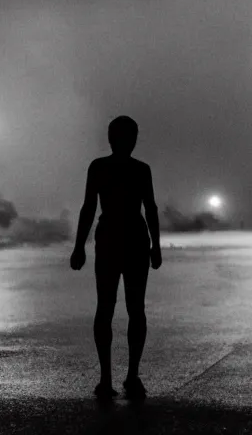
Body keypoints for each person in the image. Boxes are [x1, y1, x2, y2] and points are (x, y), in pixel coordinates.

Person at [70, 115, 162, 401]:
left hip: (110, 237)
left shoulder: (99, 167)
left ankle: (106, 378)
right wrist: (156, 246)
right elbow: (151, 209)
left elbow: (88, 208)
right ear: (132, 139)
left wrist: (79, 245)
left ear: (110, 138)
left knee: (106, 307)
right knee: (135, 308)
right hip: (134, 237)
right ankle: (131, 376)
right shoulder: (140, 169)